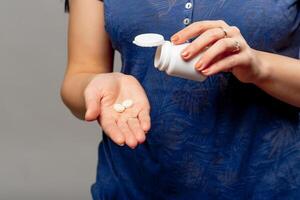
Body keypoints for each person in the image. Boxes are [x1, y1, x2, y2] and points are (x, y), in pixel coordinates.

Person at [61, 0, 300, 199]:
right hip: (135, 185)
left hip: (271, 184)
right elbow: (80, 73)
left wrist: (260, 67)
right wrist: (94, 85)